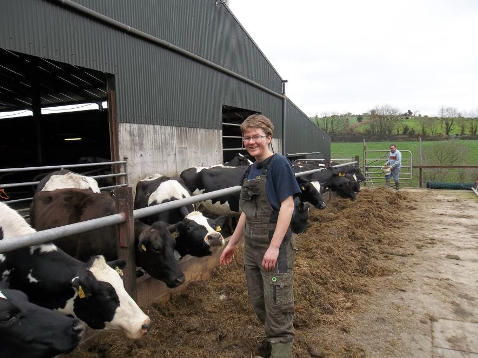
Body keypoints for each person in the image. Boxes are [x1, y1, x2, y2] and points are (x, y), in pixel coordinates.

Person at [219, 114, 300, 358]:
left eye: (256, 136)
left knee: (277, 303)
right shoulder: (251, 170)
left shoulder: (279, 165)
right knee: (259, 301)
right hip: (252, 248)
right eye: (247, 137)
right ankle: (273, 341)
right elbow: (246, 211)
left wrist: (274, 248)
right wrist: (232, 244)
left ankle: (281, 347)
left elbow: (287, 206)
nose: (251, 141)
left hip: (273, 247)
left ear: (268, 138)